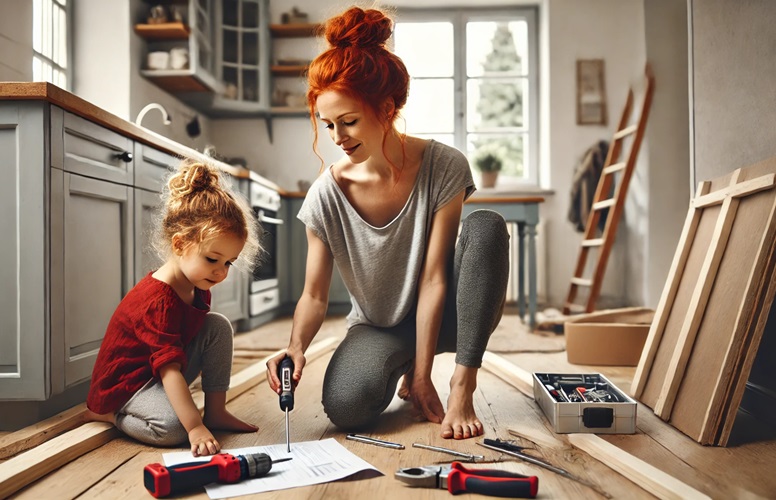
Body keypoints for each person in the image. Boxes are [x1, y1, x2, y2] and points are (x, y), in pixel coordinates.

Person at [266, 6, 510, 440]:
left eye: (349, 121)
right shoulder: (326, 194)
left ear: (387, 107)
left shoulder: (444, 165)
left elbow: (435, 278)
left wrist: (427, 375)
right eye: (328, 125)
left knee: (487, 226)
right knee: (346, 406)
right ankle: (400, 363)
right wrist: (295, 347)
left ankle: (461, 385)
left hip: (453, 314)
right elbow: (314, 294)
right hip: (379, 326)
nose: (338, 137)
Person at [85, 159, 261, 456]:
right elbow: (169, 370)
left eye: (228, 263)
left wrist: (204, 418)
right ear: (179, 245)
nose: (221, 272)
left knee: (217, 326)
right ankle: (110, 414)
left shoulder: (196, 283)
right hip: (128, 385)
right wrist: (194, 427)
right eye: (212, 259)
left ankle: (216, 411)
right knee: (173, 429)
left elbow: (176, 358)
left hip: (158, 371)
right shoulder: (159, 301)